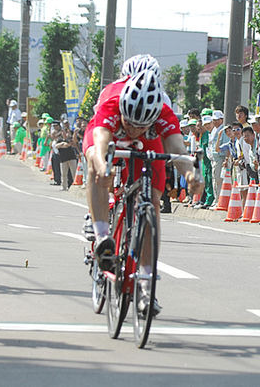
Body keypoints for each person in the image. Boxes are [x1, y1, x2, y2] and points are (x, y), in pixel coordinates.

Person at [83, 68, 202, 315]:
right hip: (108, 134)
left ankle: (146, 287)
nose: (135, 129)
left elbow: (177, 149)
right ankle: (103, 234)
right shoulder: (112, 101)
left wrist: (190, 174)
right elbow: (100, 140)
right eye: (131, 123)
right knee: (97, 166)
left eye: (141, 125)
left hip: (148, 143)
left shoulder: (162, 113)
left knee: (153, 202)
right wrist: (104, 165)